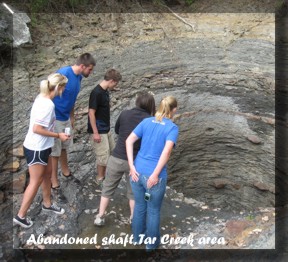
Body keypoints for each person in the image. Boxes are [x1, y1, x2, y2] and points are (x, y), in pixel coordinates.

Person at [13, 73, 70, 228]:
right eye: (63, 87)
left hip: (44, 146)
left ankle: (47, 203)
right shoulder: (48, 104)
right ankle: (21, 215)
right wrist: (58, 135)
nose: (64, 90)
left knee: (47, 174)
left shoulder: (41, 97)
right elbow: (37, 128)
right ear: (58, 87)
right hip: (36, 148)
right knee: (35, 181)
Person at [94, 92, 156, 226]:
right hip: (134, 162)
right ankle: (133, 217)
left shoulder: (124, 114)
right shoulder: (149, 121)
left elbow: (117, 130)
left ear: (137, 102)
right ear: (151, 105)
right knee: (133, 192)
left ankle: (100, 216)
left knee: (108, 188)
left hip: (116, 157)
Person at [126, 96, 179, 250]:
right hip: (154, 176)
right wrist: (155, 174)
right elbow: (167, 151)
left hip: (137, 172)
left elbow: (128, 141)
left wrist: (131, 166)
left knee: (140, 206)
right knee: (153, 210)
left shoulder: (146, 121)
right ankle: (151, 244)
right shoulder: (171, 128)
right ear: (173, 110)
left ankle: (137, 238)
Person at [51, 53, 96, 189]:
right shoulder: (64, 73)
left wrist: (72, 116)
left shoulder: (79, 77)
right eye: (90, 69)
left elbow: (72, 98)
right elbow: (50, 91)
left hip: (66, 117)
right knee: (55, 151)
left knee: (64, 147)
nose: (91, 72)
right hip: (55, 118)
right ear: (82, 66)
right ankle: (54, 181)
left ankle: (66, 171)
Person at [87, 69, 122, 185]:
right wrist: (95, 132)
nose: (115, 86)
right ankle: (100, 179)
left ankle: (105, 176)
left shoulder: (105, 90)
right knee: (102, 157)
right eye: (115, 83)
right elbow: (91, 112)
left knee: (111, 152)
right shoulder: (96, 92)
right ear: (111, 81)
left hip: (106, 129)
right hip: (99, 130)